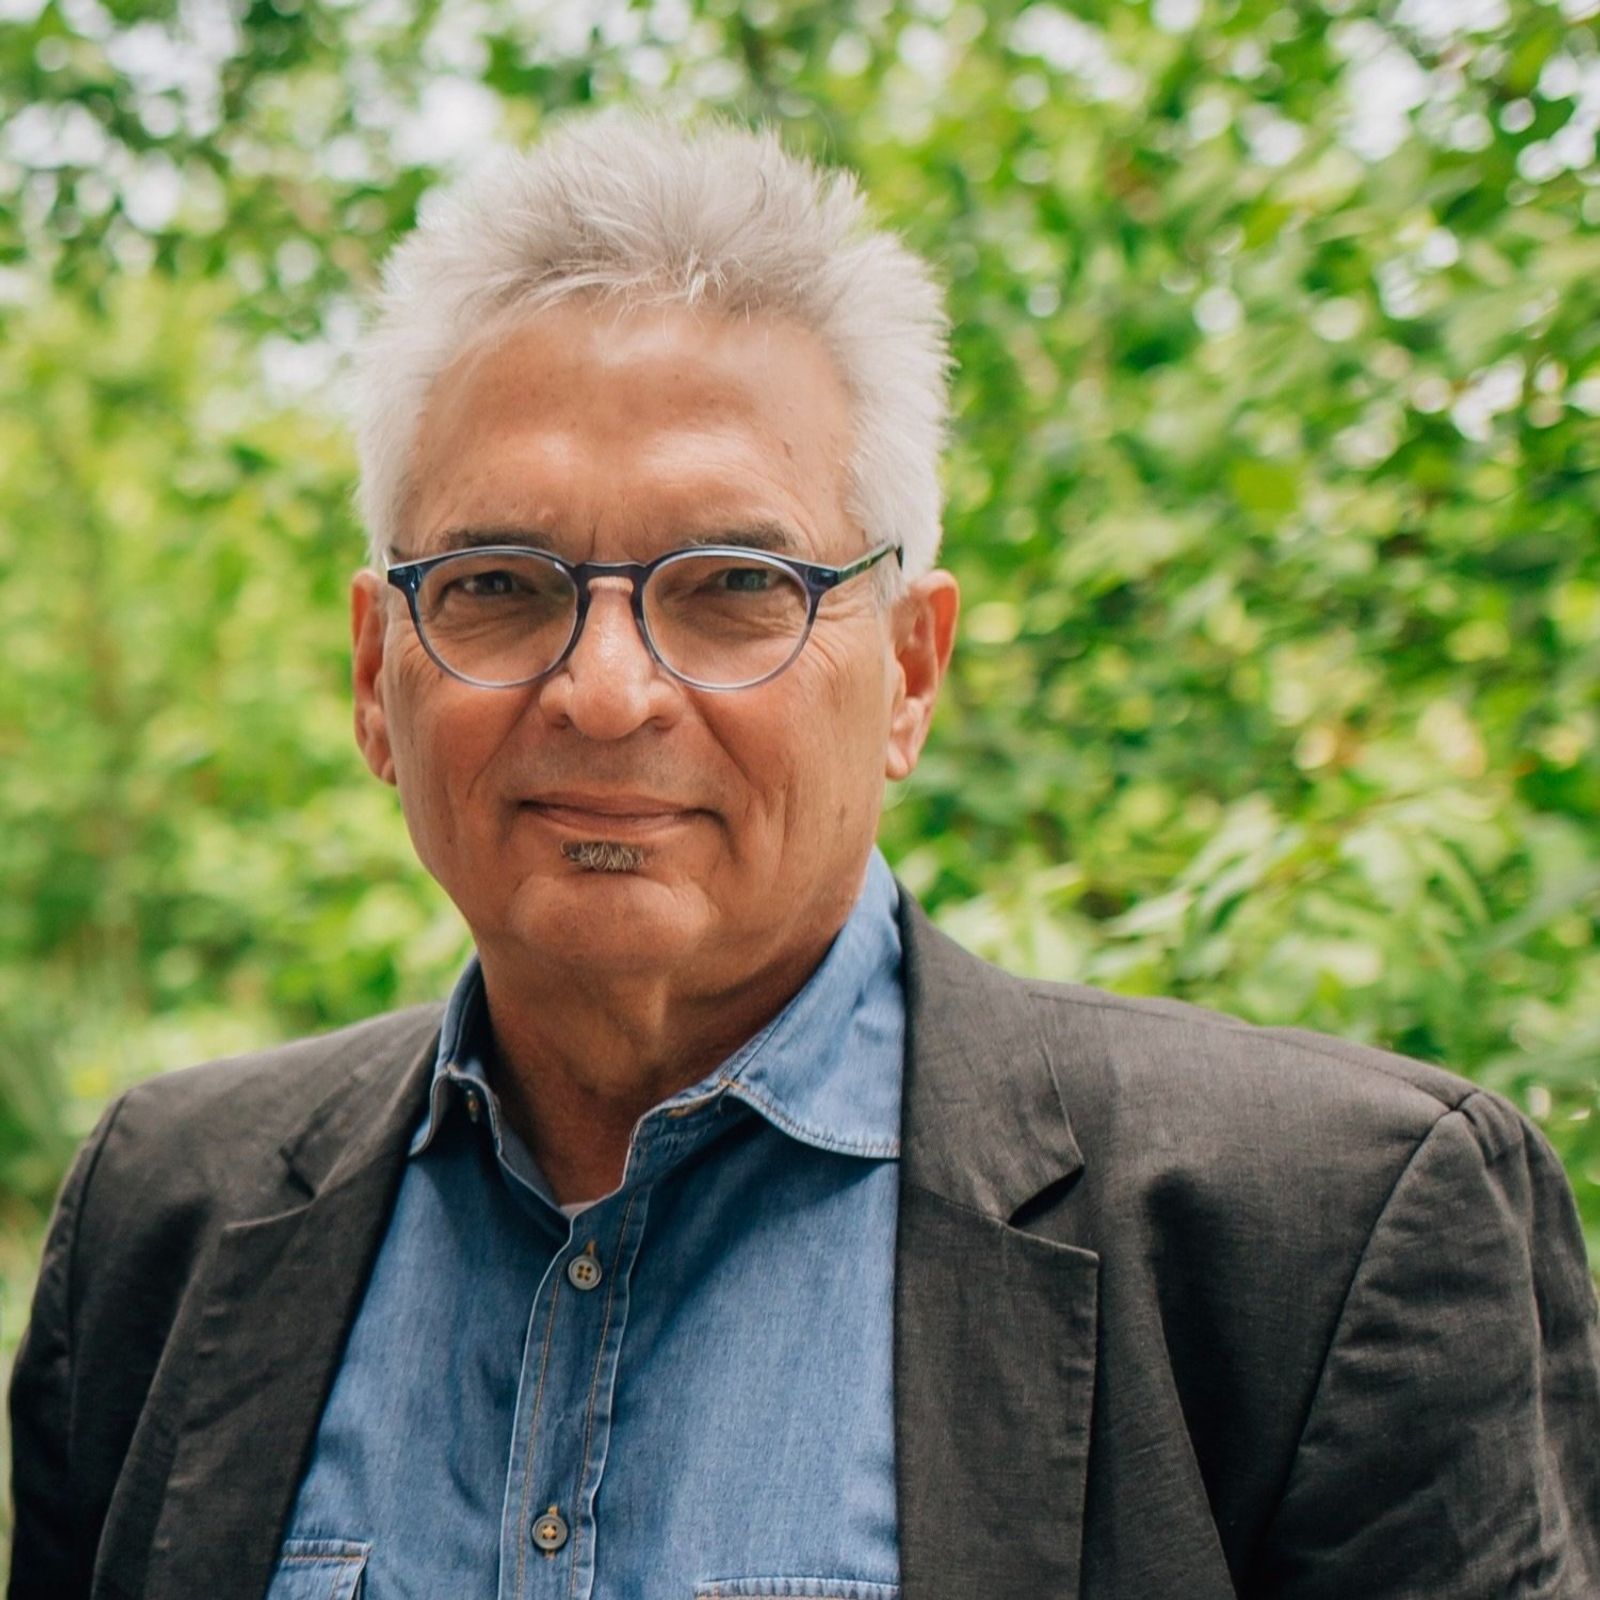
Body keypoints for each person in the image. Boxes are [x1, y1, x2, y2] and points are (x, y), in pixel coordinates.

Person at [8, 112, 1599, 1600]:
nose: (608, 691)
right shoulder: (172, 1215)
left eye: (735, 586)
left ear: (909, 671)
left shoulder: (1319, 1238)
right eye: (499, 584)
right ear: (376, 673)